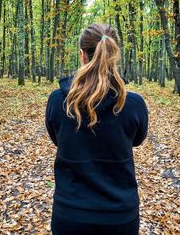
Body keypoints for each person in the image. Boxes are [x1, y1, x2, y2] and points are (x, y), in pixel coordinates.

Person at [45, 23, 148, 235]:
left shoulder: (58, 102)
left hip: (70, 216)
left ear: (82, 55)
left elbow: (58, 138)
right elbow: (137, 140)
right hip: (120, 217)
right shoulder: (133, 105)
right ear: (114, 54)